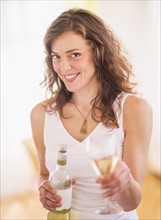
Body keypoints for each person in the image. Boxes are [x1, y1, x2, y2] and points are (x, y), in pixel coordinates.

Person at [30, 8, 152, 220]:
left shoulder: (134, 110)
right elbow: (43, 174)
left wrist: (123, 183)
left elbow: (131, 202)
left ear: (98, 53)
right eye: (56, 57)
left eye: (74, 54)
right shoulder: (41, 114)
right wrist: (43, 188)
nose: (64, 66)